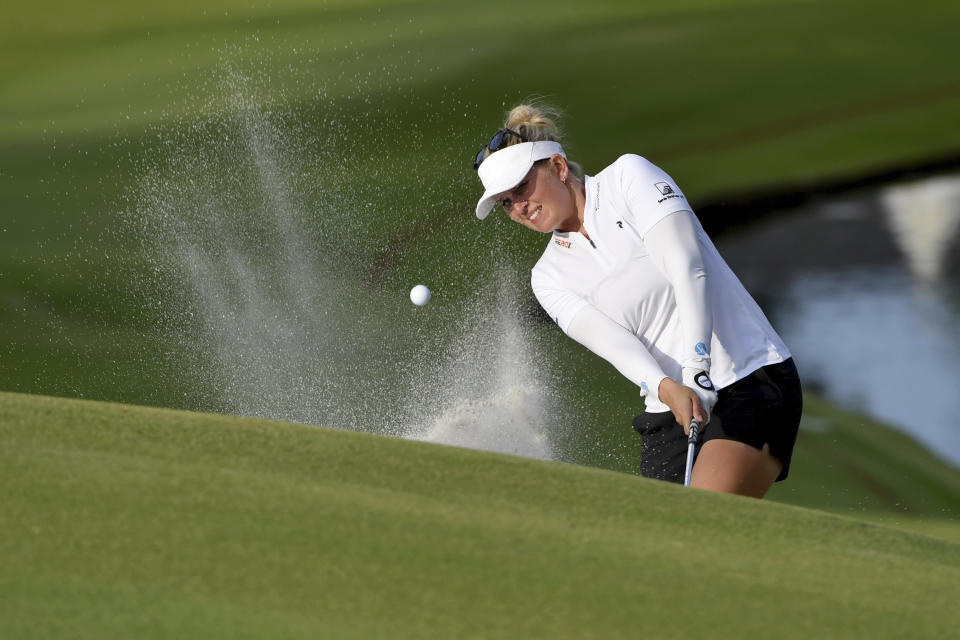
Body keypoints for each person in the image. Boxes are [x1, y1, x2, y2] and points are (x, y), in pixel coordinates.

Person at [472, 103, 802, 498]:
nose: (519, 207)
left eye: (522, 188)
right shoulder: (547, 277)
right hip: (670, 408)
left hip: (748, 378)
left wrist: (697, 366)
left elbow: (687, 268)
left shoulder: (627, 178)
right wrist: (667, 388)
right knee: (659, 544)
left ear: (558, 168)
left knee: (702, 520)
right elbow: (616, 346)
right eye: (506, 203)